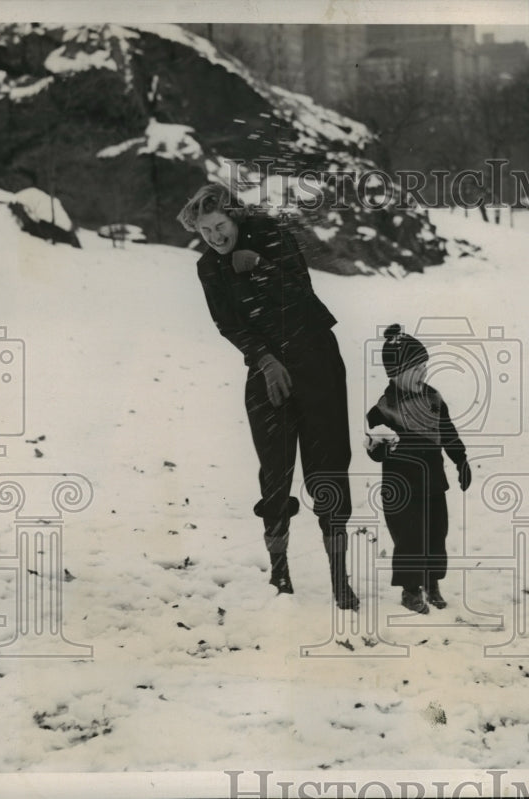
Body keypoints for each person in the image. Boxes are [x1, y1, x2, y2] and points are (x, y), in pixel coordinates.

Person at [176, 183, 358, 610]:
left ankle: (339, 578)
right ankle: (280, 572)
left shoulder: (274, 236)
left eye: (219, 226)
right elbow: (228, 324)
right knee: (274, 469)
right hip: (267, 371)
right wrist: (263, 358)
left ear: (234, 217)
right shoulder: (208, 268)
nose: (215, 237)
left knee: (328, 467)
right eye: (205, 231)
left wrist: (259, 266)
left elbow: (301, 296)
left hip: (317, 362)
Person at [365, 324, 472, 614]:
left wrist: (460, 460)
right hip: (401, 488)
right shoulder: (383, 409)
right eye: (416, 369)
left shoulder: (434, 399)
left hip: (434, 483)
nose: (423, 373)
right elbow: (374, 448)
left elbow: (448, 432)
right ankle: (410, 590)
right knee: (409, 539)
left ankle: (431, 582)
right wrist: (380, 448)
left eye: (424, 367)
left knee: (437, 534)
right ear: (396, 373)